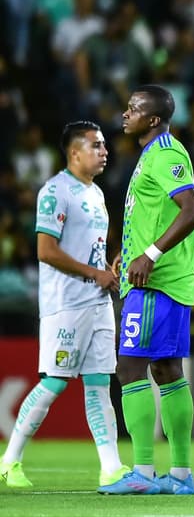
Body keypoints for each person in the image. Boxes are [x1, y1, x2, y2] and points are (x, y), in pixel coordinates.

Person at [0, 122, 128, 492]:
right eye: (96, 146)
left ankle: (111, 468)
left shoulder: (97, 193)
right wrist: (93, 272)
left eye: (104, 146)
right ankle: (10, 460)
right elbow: (46, 250)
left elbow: (86, 248)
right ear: (74, 152)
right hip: (65, 304)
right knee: (55, 381)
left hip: (97, 301)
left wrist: (105, 269)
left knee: (100, 383)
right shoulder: (55, 191)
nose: (104, 151)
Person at [109, 85, 194, 495]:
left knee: (130, 368)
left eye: (133, 109)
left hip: (157, 282)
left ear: (153, 119)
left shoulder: (166, 153)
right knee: (167, 371)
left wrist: (148, 255)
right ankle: (180, 475)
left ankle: (143, 473)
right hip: (160, 278)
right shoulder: (154, 153)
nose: (125, 114)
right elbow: (153, 213)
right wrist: (126, 252)